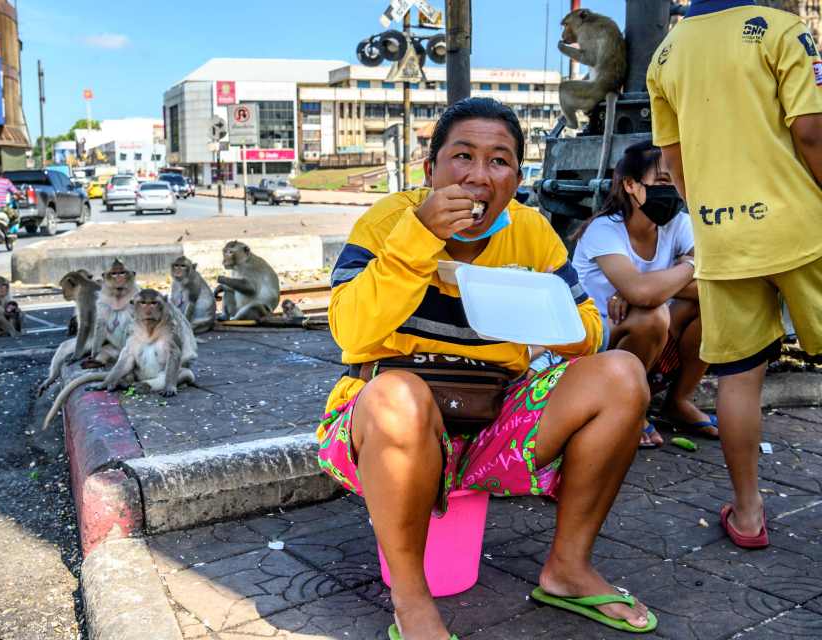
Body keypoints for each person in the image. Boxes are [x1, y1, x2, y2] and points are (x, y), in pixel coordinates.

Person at [318, 98, 656, 638]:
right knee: (397, 396)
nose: (478, 176)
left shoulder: (531, 231)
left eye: (499, 161)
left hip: (497, 419)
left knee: (622, 373)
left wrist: (545, 316)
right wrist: (418, 240)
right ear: (430, 169)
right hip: (390, 421)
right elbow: (350, 333)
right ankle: (411, 600)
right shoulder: (386, 222)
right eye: (462, 157)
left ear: (517, 177)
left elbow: (589, 327)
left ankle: (568, 567)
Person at [647, 1, 822, 549]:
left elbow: (672, 162)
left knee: (740, 378)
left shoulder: (666, 54)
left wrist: (713, 214)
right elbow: (812, 132)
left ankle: (748, 514)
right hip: (802, 228)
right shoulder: (781, 30)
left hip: (722, 236)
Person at [572, 141, 716, 448]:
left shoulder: (678, 224)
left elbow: (714, 283)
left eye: (678, 180)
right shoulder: (604, 230)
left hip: (653, 338)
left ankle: (678, 401)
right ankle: (629, 407)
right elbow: (641, 293)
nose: (673, 189)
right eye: (663, 180)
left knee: (714, 305)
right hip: (598, 340)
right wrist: (693, 263)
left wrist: (648, 286)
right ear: (630, 185)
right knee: (650, 315)